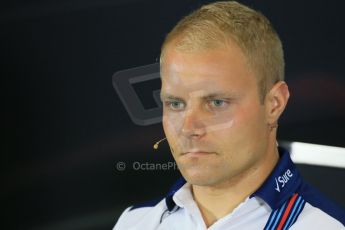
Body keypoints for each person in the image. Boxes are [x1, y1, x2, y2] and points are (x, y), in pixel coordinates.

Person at [113, 1, 345, 229]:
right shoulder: (134, 222)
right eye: (175, 103)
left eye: (216, 102)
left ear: (274, 104)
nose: (188, 127)